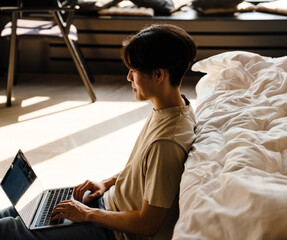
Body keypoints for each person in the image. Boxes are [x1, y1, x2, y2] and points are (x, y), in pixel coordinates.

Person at [0, 23, 197, 240]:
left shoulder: (167, 142)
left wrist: (88, 214)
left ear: (159, 75)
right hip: (106, 205)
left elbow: (147, 223)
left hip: (111, 230)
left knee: (10, 229)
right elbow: (146, 172)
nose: (128, 77)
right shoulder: (174, 109)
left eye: (134, 70)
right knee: (17, 213)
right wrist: (107, 182)